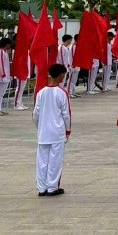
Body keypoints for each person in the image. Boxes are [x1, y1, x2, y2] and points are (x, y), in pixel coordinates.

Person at [33, 64, 71, 197]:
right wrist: (67, 130)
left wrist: (39, 127)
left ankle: (42, 187)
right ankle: (52, 187)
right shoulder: (62, 93)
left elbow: (36, 113)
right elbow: (66, 114)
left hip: (43, 132)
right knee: (55, 160)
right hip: (57, 132)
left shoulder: (41, 92)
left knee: (42, 161)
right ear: (60, 75)